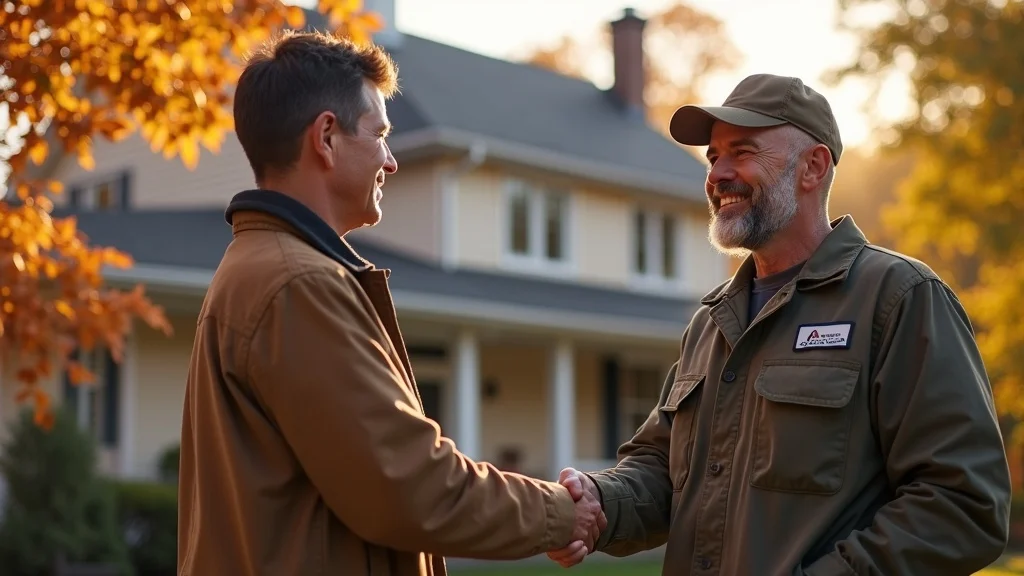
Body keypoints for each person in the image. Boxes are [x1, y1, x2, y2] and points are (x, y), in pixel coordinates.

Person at [547, 73, 1012, 575]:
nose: (718, 174)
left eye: (742, 152)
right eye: (713, 156)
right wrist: (598, 500)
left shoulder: (898, 297)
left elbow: (963, 505)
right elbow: (662, 470)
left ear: (812, 167)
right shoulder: (709, 322)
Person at [176, 31, 604, 575]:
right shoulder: (299, 285)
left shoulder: (266, 270)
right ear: (326, 138)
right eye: (379, 134)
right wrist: (562, 513)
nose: (391, 161)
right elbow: (409, 485)